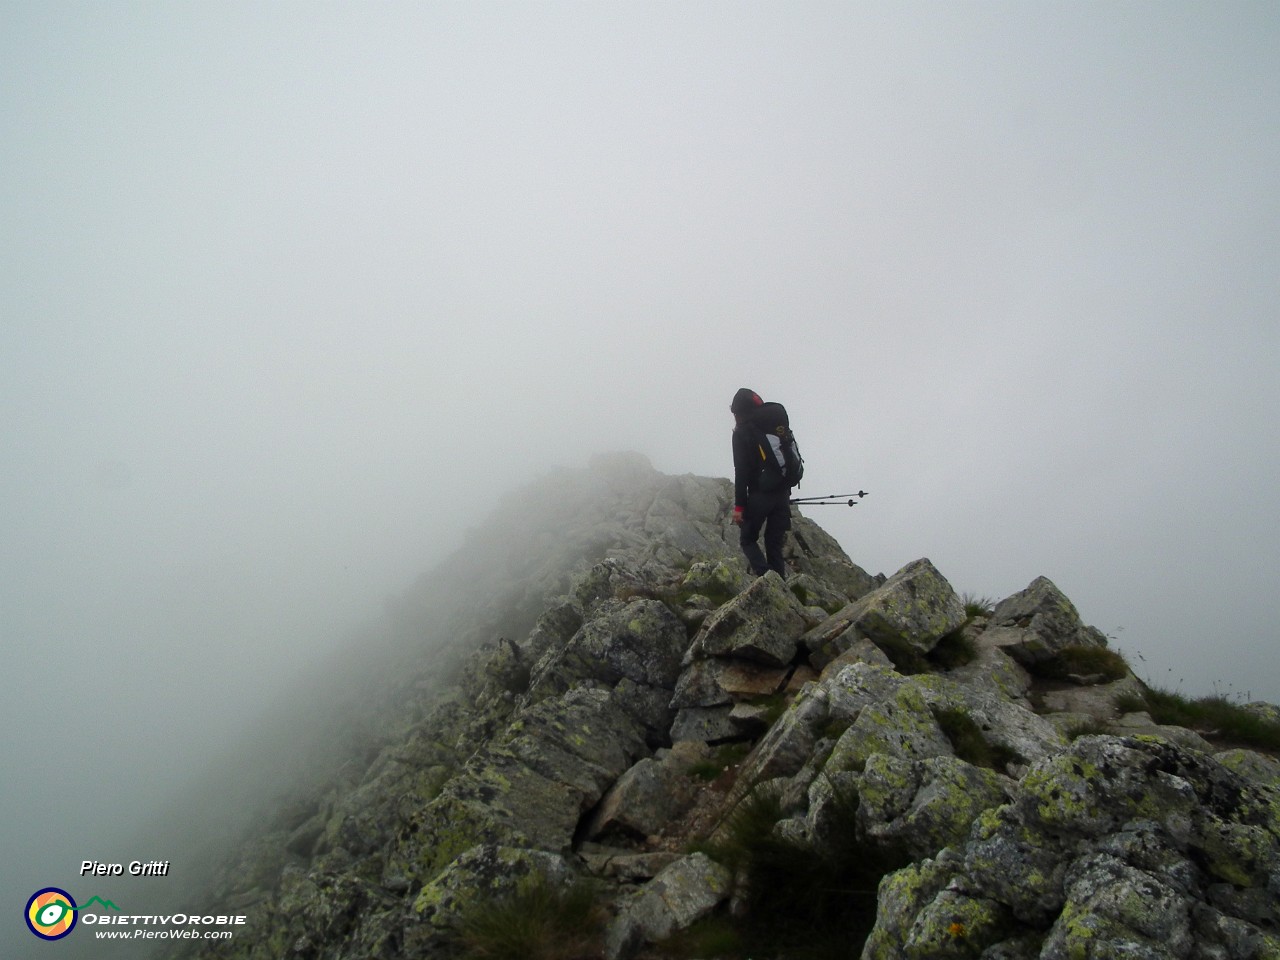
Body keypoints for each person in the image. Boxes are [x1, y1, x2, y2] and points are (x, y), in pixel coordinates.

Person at [730, 387, 792, 577]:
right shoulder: (773, 422)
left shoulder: (742, 433)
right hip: (783, 491)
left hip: (760, 494)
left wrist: (739, 507)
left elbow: (741, 472)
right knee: (773, 543)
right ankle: (781, 587)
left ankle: (768, 582)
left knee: (747, 540)